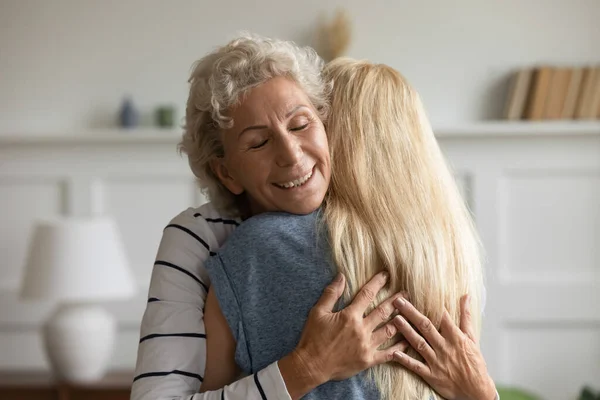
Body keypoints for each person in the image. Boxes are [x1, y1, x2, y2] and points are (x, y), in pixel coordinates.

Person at [131, 34, 497, 400]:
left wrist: (481, 393)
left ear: (327, 127)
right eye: (258, 142)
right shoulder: (206, 238)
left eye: (300, 124)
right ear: (226, 173)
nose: (291, 155)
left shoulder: (388, 245)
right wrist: (308, 366)